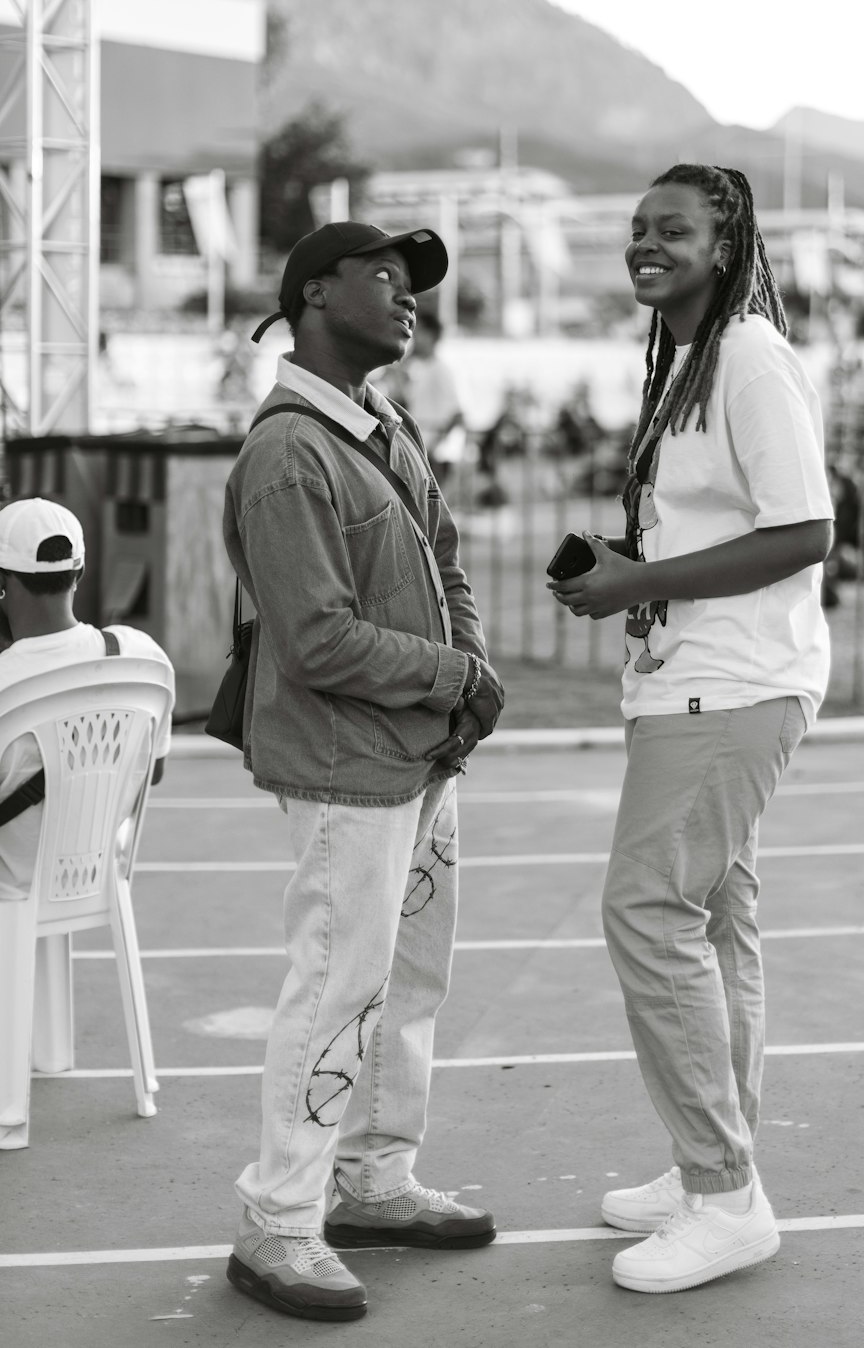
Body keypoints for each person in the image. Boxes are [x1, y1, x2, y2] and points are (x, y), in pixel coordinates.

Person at [548, 165, 833, 1295]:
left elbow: (806, 527)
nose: (645, 243)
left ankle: (723, 1195)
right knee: (715, 929)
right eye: (635, 229)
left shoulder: (751, 358)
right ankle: (711, 1165)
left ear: (726, 244)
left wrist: (641, 580)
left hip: (733, 686)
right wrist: (634, 583)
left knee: (646, 911)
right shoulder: (689, 365)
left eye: (673, 229)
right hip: (696, 681)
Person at [224, 221, 504, 1323]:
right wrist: (453, 675)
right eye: (382, 278)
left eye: (412, 285)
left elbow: (442, 558)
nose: (407, 300)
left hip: (417, 754)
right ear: (310, 296)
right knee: (335, 987)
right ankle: (279, 1223)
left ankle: (372, 1179)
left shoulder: (379, 420)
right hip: (349, 769)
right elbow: (318, 640)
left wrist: (468, 672)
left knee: (408, 987)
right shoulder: (286, 451)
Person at [0, 499, 174, 901]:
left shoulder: (6, 677)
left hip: (11, 887)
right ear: (79, 574)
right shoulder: (140, 654)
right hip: (94, 876)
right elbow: (154, 770)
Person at [379, 305, 466, 491]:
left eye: (420, 333)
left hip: (437, 455)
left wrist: (435, 447)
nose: (415, 339)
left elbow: (458, 414)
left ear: (432, 336)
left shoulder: (443, 370)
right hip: (422, 450)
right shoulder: (417, 369)